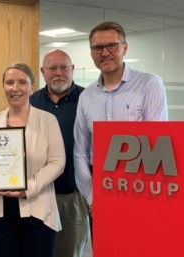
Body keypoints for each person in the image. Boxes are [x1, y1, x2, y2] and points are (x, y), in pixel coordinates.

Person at [73, 21, 168, 237]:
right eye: (98, 48)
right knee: (106, 247)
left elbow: (156, 145)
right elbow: (80, 150)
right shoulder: (86, 96)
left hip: (140, 188)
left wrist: (144, 196)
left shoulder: (149, 84)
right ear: (91, 53)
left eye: (112, 46)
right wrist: (92, 197)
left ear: (125, 48)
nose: (105, 53)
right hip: (100, 187)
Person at [0, 63, 66, 257]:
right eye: (9, 82)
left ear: (33, 86)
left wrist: (28, 188)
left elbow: (58, 162)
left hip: (37, 211)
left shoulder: (47, 121)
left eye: (22, 82)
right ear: (3, 86)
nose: (15, 88)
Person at [30, 49, 90, 257]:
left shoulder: (88, 99)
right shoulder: (31, 102)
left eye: (64, 67)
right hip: (37, 195)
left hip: (72, 196)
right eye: (52, 68)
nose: (58, 73)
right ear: (42, 72)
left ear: (72, 69)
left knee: (69, 252)